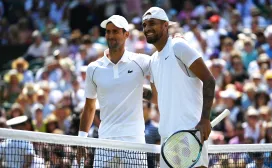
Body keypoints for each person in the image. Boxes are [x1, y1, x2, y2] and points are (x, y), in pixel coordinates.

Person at [142, 7, 216, 168]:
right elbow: (156, 98)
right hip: (167, 140)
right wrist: (135, 90)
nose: (147, 28)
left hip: (190, 135)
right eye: (145, 25)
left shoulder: (178, 47)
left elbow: (209, 80)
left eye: (152, 23)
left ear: (165, 25)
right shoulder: (153, 60)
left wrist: (205, 119)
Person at [77, 15, 151, 167]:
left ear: (126, 35)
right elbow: (89, 107)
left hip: (134, 139)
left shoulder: (141, 61)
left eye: (115, 31)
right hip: (106, 140)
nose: (110, 35)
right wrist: (81, 139)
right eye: (108, 32)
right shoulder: (93, 68)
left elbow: (164, 68)